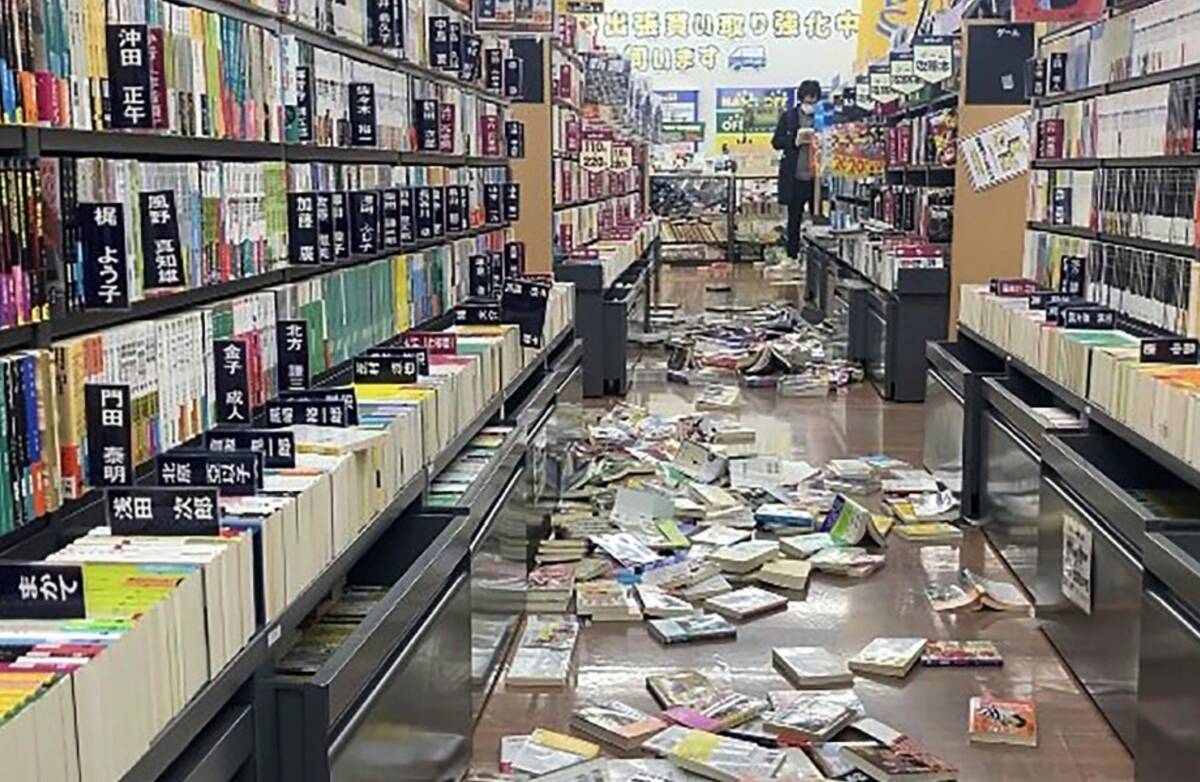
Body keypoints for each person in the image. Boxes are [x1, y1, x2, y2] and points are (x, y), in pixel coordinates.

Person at [772, 80, 821, 259]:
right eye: (807, 102)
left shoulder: (823, 117)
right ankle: (792, 254)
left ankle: (816, 256)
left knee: (820, 218)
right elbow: (776, 142)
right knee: (794, 218)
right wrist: (794, 141)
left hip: (817, 178)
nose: (810, 106)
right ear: (801, 99)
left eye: (813, 102)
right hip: (795, 176)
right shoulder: (789, 117)